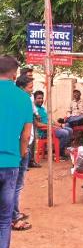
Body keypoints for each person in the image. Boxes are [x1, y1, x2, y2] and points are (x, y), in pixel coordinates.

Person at [0, 56, 33, 248]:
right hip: (11, 162)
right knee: (4, 219)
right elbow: (26, 136)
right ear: (14, 74)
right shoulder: (23, 99)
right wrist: (21, 155)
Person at [13, 75, 35, 231]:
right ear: (21, 87)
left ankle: (15, 212)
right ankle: (14, 216)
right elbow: (24, 134)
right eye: (29, 87)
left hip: (20, 147)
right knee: (16, 184)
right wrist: (23, 151)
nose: (31, 90)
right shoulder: (23, 101)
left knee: (15, 184)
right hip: (20, 148)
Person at [34, 90, 73, 159]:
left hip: (51, 128)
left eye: (42, 98)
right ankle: (58, 153)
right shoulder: (34, 110)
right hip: (44, 132)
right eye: (39, 98)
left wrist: (60, 125)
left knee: (69, 129)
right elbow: (38, 124)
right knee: (65, 133)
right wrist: (52, 127)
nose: (41, 100)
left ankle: (61, 150)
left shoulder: (42, 108)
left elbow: (51, 120)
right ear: (34, 99)